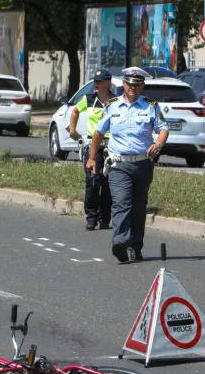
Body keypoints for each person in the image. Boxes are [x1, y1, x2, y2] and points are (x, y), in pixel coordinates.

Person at [86, 67, 169, 263]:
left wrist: (158, 144)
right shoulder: (112, 105)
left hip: (142, 164)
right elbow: (98, 133)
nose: (132, 88)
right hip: (118, 164)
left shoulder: (151, 106)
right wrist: (91, 158)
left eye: (137, 84)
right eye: (129, 84)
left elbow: (164, 129)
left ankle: (135, 246)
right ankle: (120, 243)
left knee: (138, 207)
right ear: (123, 84)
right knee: (122, 202)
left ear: (142, 85)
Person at [68, 69, 116, 230]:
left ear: (108, 83)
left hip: (111, 146)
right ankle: (91, 216)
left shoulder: (116, 101)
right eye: (95, 81)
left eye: (100, 81)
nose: (96, 84)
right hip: (93, 146)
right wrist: (73, 130)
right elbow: (75, 111)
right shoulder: (88, 99)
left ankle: (105, 218)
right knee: (93, 181)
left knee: (109, 183)